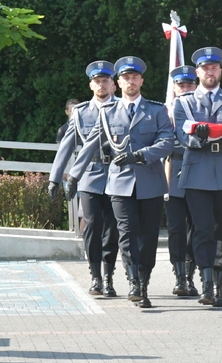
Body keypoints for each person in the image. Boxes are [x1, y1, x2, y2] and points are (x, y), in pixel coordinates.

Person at [67, 57, 172, 308]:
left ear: (141, 81)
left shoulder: (157, 110)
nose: (130, 82)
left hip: (150, 183)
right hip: (119, 183)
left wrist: (141, 155)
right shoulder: (107, 112)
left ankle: (144, 280)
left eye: (135, 77)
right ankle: (133, 280)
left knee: (147, 237)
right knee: (125, 233)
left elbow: (167, 141)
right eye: (126, 78)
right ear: (119, 83)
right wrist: (73, 176)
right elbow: (89, 145)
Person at [173, 46, 222, 307]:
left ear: (220, 71)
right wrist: (198, 137)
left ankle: (219, 282)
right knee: (203, 229)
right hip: (197, 172)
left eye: (214, 68)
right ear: (198, 72)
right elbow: (182, 136)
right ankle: (205, 283)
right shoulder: (184, 101)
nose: (210, 72)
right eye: (205, 68)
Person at [49, 61, 120, 297]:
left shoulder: (122, 108)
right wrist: (55, 179)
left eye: (106, 81)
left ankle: (109, 276)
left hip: (117, 174)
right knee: (91, 225)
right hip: (89, 174)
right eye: (97, 81)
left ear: (113, 85)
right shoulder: (80, 113)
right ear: (91, 85)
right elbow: (66, 147)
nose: (101, 85)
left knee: (112, 228)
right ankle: (95, 276)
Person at [165, 66, 199, 297]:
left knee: (198, 228)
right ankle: (179, 276)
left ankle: (190, 274)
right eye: (181, 85)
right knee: (176, 228)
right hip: (173, 173)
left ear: (195, 86)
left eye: (189, 85)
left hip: (199, 173)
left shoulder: (202, 110)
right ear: (174, 88)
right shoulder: (163, 113)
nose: (185, 89)